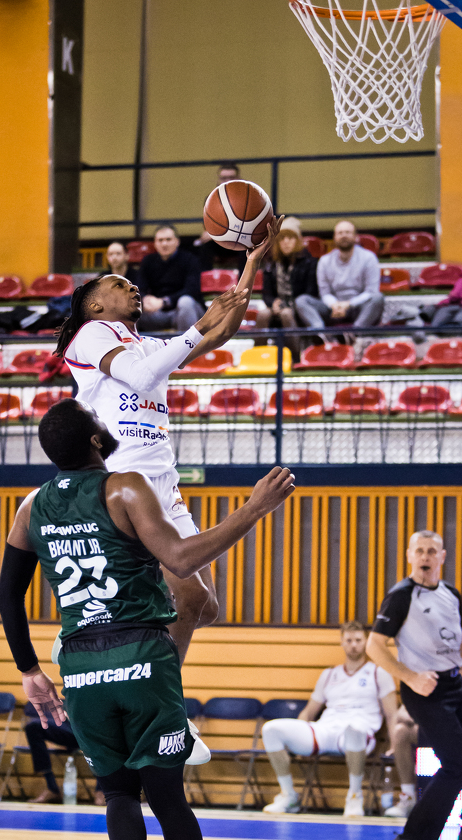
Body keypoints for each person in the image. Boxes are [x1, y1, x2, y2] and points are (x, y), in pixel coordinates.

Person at [0, 396, 295, 840]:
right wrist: (254, 508)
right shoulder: (124, 487)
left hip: (81, 667)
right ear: (94, 439)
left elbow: (8, 596)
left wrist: (30, 671)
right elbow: (181, 559)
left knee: (116, 793)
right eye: (98, 421)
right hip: (140, 656)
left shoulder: (30, 507)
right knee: (166, 796)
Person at [58, 220, 280, 665]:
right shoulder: (91, 335)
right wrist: (200, 324)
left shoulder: (149, 346)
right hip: (123, 483)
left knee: (205, 607)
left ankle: (117, 637)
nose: (133, 286)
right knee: (189, 596)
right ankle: (156, 687)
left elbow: (222, 333)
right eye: (120, 284)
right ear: (95, 305)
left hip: (164, 483)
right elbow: (143, 377)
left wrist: (252, 262)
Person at [366, 530, 462, 840]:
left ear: (442, 557)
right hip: (424, 693)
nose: (426, 557)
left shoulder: (451, 594)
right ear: (410, 556)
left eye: (432, 551)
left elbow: (459, 643)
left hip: (456, 686)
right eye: (420, 551)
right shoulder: (401, 596)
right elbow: (374, 646)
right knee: (458, 766)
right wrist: (411, 677)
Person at [261, 621, 397, 817]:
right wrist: (299, 737)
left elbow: (392, 714)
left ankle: (355, 796)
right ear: (342, 642)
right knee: (270, 729)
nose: (353, 645)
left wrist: (393, 744)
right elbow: (309, 712)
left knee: (354, 729)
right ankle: (288, 795)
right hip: (326, 730)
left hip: (360, 732)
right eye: (349, 640)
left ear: (366, 642)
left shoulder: (378, 673)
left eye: (358, 640)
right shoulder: (329, 674)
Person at [295, 220, 384, 332]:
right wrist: (334, 305)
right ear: (334, 238)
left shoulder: (369, 258)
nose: (344, 236)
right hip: (332, 309)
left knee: (377, 298)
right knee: (302, 301)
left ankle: (355, 333)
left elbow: (371, 291)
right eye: (340, 233)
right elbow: (324, 293)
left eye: (347, 232)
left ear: (356, 237)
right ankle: (321, 333)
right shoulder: (324, 261)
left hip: (358, 308)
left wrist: (349, 304)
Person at [23, 702, 104, 805]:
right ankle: (51, 787)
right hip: (71, 725)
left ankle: (101, 791)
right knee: (33, 727)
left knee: (103, 729)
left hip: (94, 729)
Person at [137, 226, 205, 333]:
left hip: (184, 311)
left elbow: (192, 290)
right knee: (130, 308)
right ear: (155, 243)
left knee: (185, 302)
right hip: (157, 312)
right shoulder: (148, 261)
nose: (164, 244)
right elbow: (140, 288)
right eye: (160, 240)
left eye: (168, 239)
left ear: (177, 242)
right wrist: (145, 299)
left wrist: (164, 302)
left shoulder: (190, 259)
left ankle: (189, 343)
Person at [256, 217, 318, 329]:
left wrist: (287, 305)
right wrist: (273, 303)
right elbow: (266, 293)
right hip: (279, 306)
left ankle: (295, 342)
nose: (286, 241)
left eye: (290, 238)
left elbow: (310, 293)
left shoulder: (309, 263)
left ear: (297, 241)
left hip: (299, 307)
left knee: (286, 314)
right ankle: (260, 342)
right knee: (262, 314)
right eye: (282, 238)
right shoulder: (270, 264)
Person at [194, 163, 247, 273]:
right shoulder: (210, 198)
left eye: (231, 177)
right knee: (204, 246)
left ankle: (243, 282)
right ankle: (206, 280)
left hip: (240, 240)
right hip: (220, 241)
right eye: (223, 178)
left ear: (238, 179)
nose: (227, 181)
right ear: (218, 180)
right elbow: (209, 226)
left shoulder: (248, 197)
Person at [384, 704, 418, 818]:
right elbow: (400, 714)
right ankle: (408, 797)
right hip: (423, 726)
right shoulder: (418, 691)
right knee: (400, 732)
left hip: (451, 727)